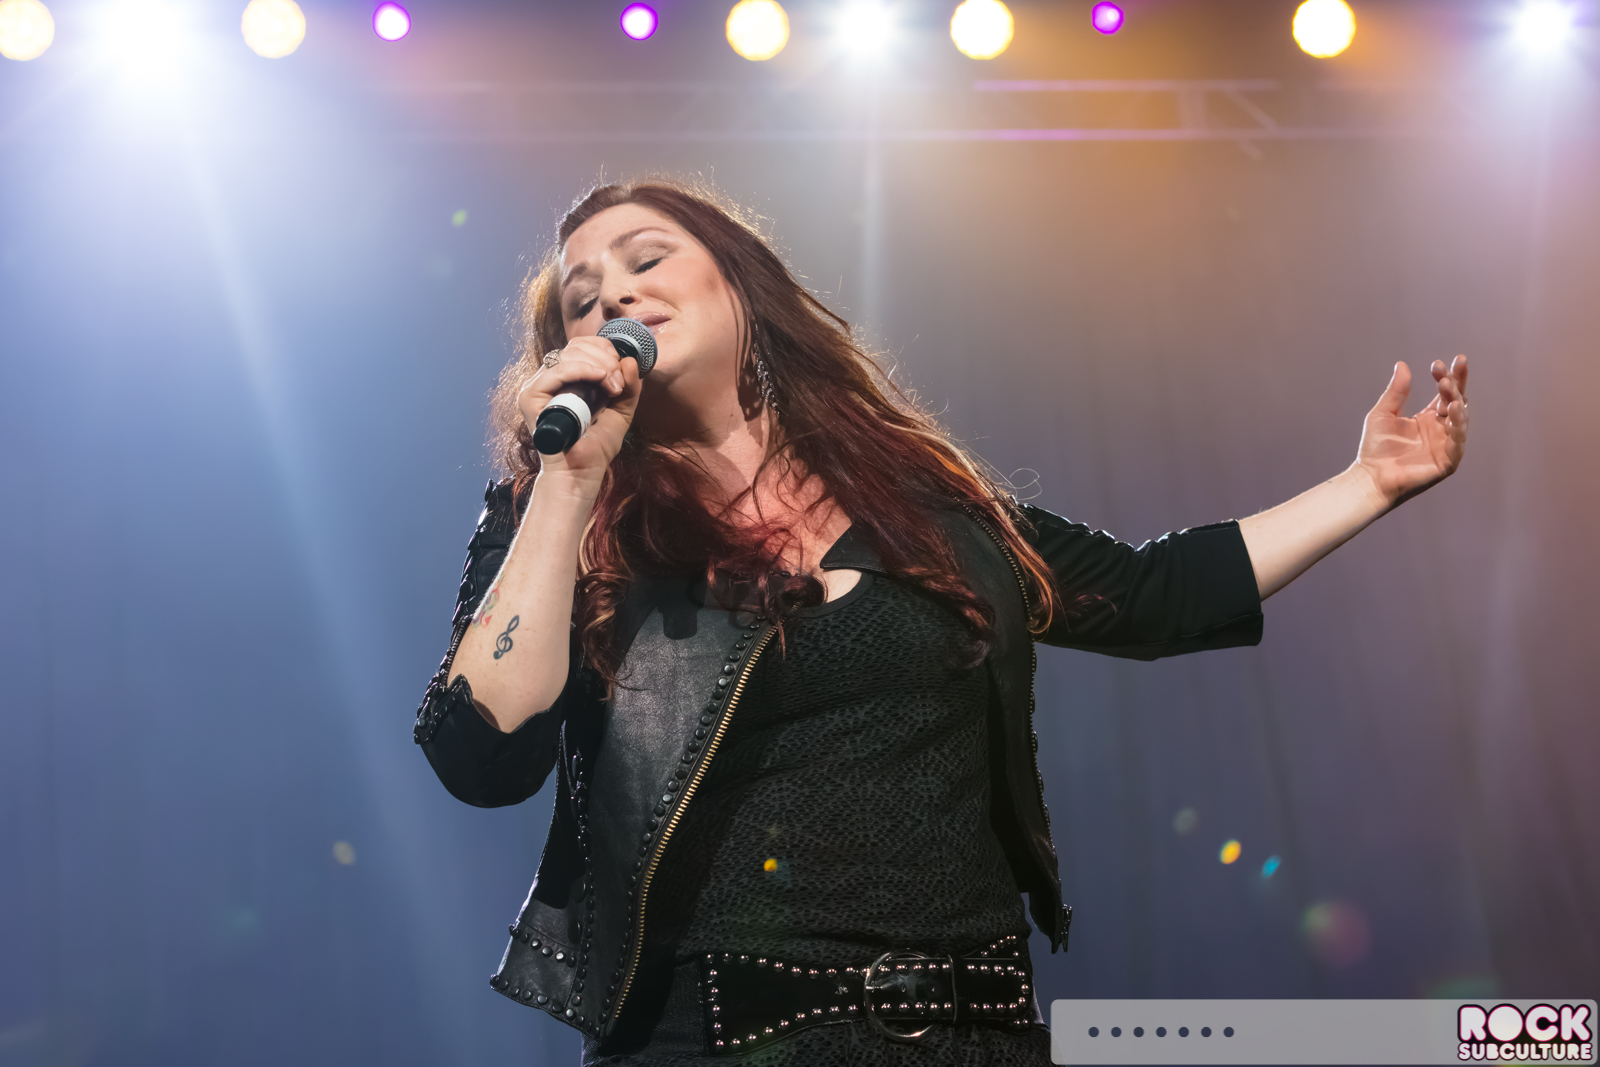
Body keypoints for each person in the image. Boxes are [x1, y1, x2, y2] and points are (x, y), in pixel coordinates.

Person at [414, 179, 1469, 1066]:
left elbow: (1153, 595)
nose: (613, 294)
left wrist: (1368, 484)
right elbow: (481, 751)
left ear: (737, 282)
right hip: (714, 1039)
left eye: (647, 258)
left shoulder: (913, 498)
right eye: (582, 299)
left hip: (975, 1031)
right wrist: (566, 487)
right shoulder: (566, 519)